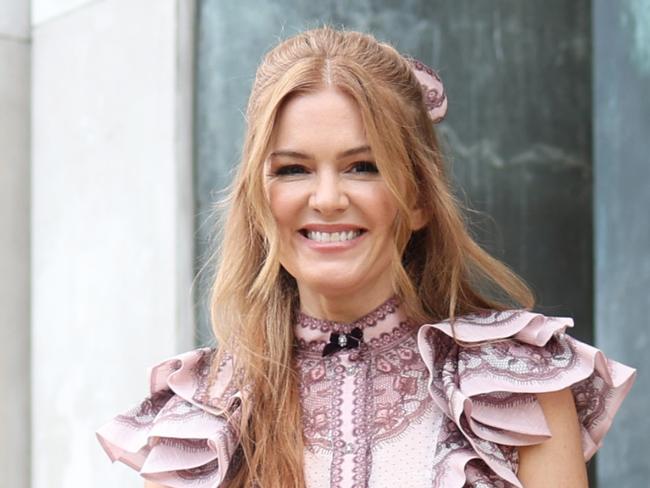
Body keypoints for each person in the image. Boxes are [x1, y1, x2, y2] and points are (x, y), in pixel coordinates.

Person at [97, 27, 635, 488]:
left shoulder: (514, 383)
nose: (327, 199)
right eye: (292, 169)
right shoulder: (201, 417)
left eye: (363, 166)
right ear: (258, 201)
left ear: (421, 197)